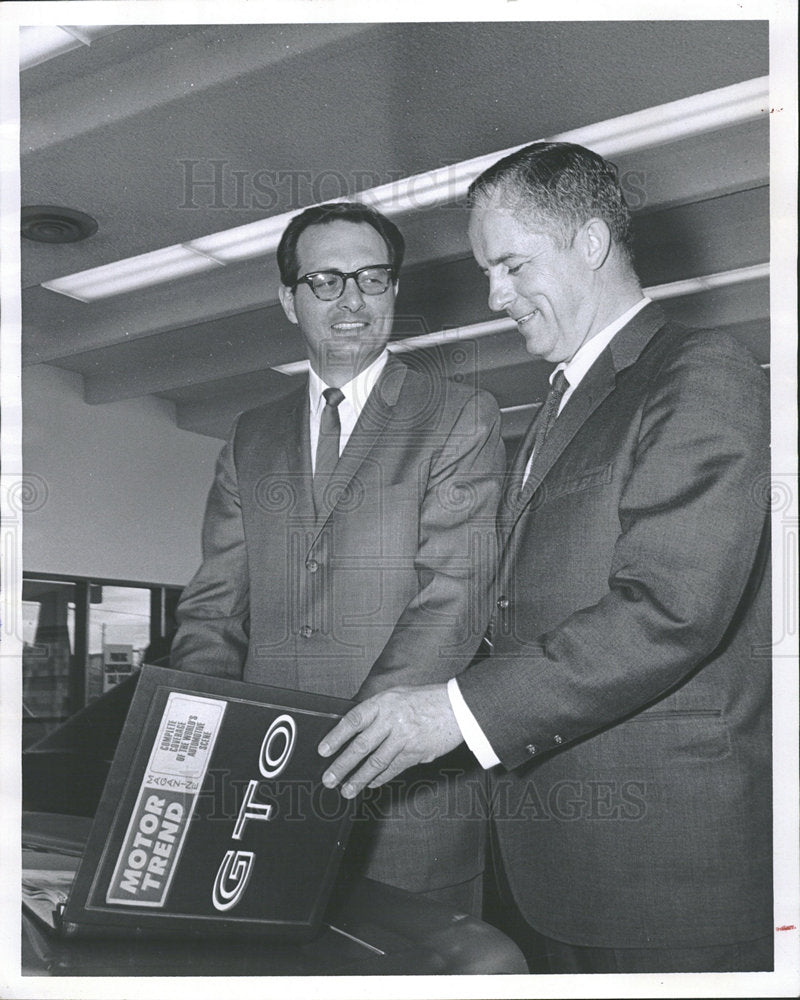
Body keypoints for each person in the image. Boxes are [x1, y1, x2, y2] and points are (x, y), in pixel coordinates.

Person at [318, 143, 773, 973]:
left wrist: (451, 713)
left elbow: (670, 608)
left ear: (592, 243)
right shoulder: (557, 408)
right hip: (552, 865)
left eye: (512, 265)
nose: (497, 296)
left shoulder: (701, 373)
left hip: (665, 879)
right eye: (489, 272)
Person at [171, 201, 505, 914]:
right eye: (326, 281)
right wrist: (212, 742)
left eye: (372, 279)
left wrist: (327, 760)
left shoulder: (458, 416)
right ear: (287, 299)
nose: (352, 301)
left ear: (394, 290)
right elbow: (212, 607)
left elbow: (452, 603)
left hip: (407, 802)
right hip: (257, 797)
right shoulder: (250, 436)